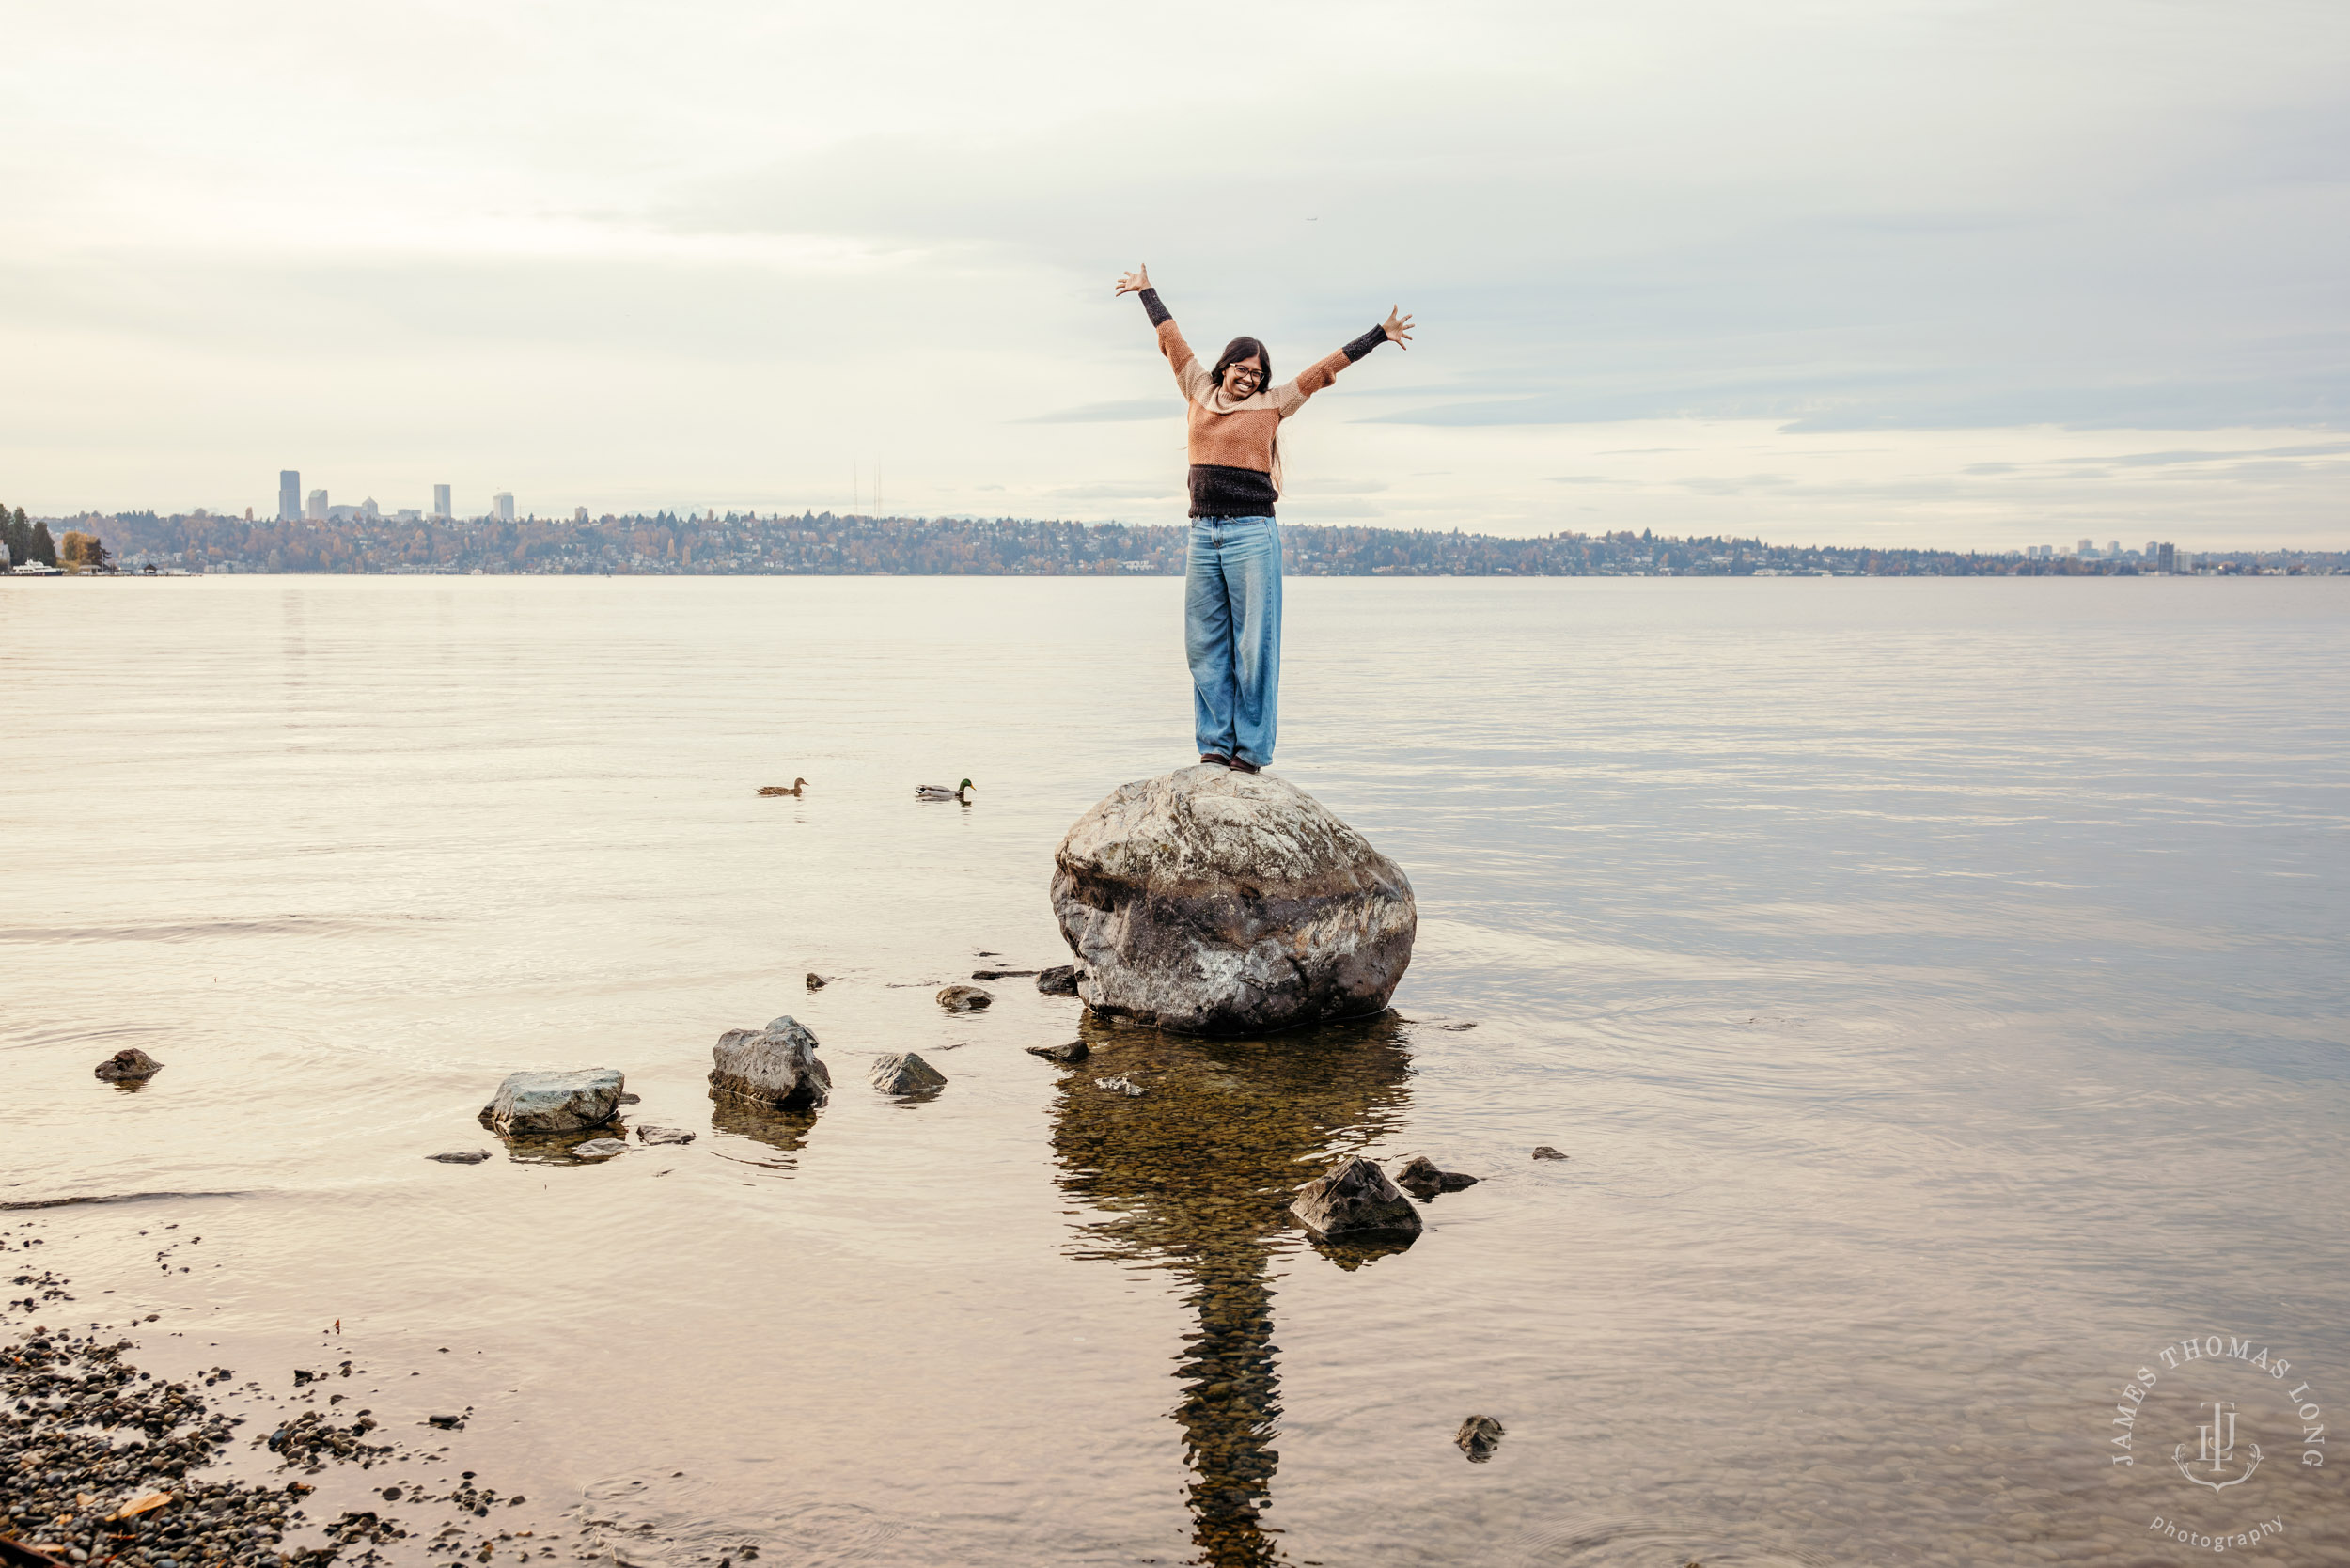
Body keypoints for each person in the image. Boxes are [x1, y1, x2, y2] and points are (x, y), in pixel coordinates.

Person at [1114, 263, 1412, 773]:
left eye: (1257, 374)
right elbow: (1171, 339)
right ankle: (1214, 744)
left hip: (1252, 533)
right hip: (1203, 534)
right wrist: (1148, 292)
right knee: (1203, 644)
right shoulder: (1195, 389)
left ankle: (1249, 753)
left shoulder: (1274, 405)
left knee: (1254, 646)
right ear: (1225, 366)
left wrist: (1378, 336)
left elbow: (1322, 371)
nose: (1250, 379)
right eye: (1242, 369)